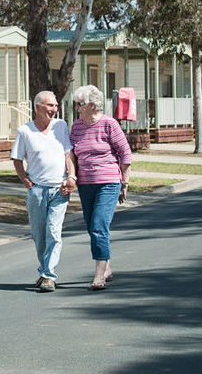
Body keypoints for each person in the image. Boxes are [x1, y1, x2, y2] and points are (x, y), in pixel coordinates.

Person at [65, 84, 132, 290]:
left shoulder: (109, 124)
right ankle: (107, 266)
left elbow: (125, 155)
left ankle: (99, 275)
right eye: (76, 104)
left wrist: (124, 183)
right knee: (91, 227)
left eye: (80, 104)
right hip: (86, 184)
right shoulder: (76, 126)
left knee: (98, 226)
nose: (77, 108)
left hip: (108, 183)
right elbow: (72, 154)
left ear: (92, 105)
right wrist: (72, 175)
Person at [11, 91, 77, 293]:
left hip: (59, 188)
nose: (54, 109)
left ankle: (48, 275)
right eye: (50, 105)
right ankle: (44, 269)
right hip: (37, 190)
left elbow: (68, 153)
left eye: (55, 106)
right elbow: (17, 158)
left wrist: (72, 176)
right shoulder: (25, 131)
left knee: (54, 232)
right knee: (39, 235)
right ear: (38, 107)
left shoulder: (61, 126)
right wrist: (26, 181)